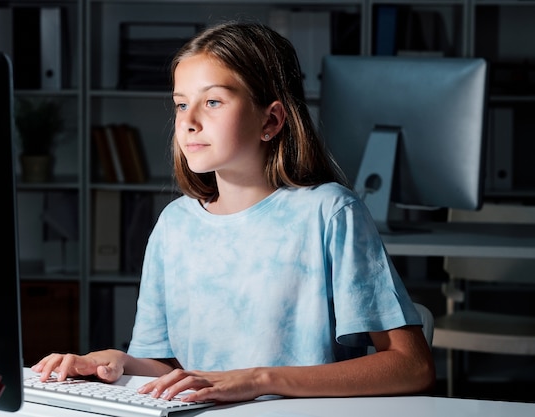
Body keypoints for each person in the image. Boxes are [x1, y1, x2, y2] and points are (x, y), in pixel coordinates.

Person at [32, 20, 435, 403]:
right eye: (180, 104)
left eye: (212, 101)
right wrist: (117, 363)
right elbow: (170, 368)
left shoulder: (330, 213)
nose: (188, 121)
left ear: (271, 119)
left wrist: (259, 379)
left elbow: (412, 365)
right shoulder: (174, 225)